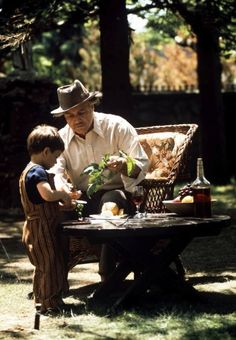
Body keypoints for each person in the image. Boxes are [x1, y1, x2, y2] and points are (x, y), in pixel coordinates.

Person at [50, 79, 149, 281]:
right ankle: (52, 281)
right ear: (64, 117)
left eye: (82, 112)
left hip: (121, 198)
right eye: (70, 115)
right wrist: (62, 188)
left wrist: (123, 164)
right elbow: (55, 171)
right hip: (84, 201)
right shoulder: (60, 139)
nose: (76, 120)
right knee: (52, 213)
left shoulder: (117, 126)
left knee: (111, 200)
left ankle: (107, 275)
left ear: (92, 106)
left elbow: (141, 165)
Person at [19, 124, 75, 315]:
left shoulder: (28, 170)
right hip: (42, 228)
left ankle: (43, 300)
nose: (56, 161)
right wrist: (61, 195)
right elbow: (46, 194)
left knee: (44, 265)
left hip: (36, 224)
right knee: (50, 263)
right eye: (56, 156)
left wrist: (61, 205)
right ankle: (50, 303)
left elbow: (41, 201)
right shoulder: (38, 172)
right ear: (46, 151)